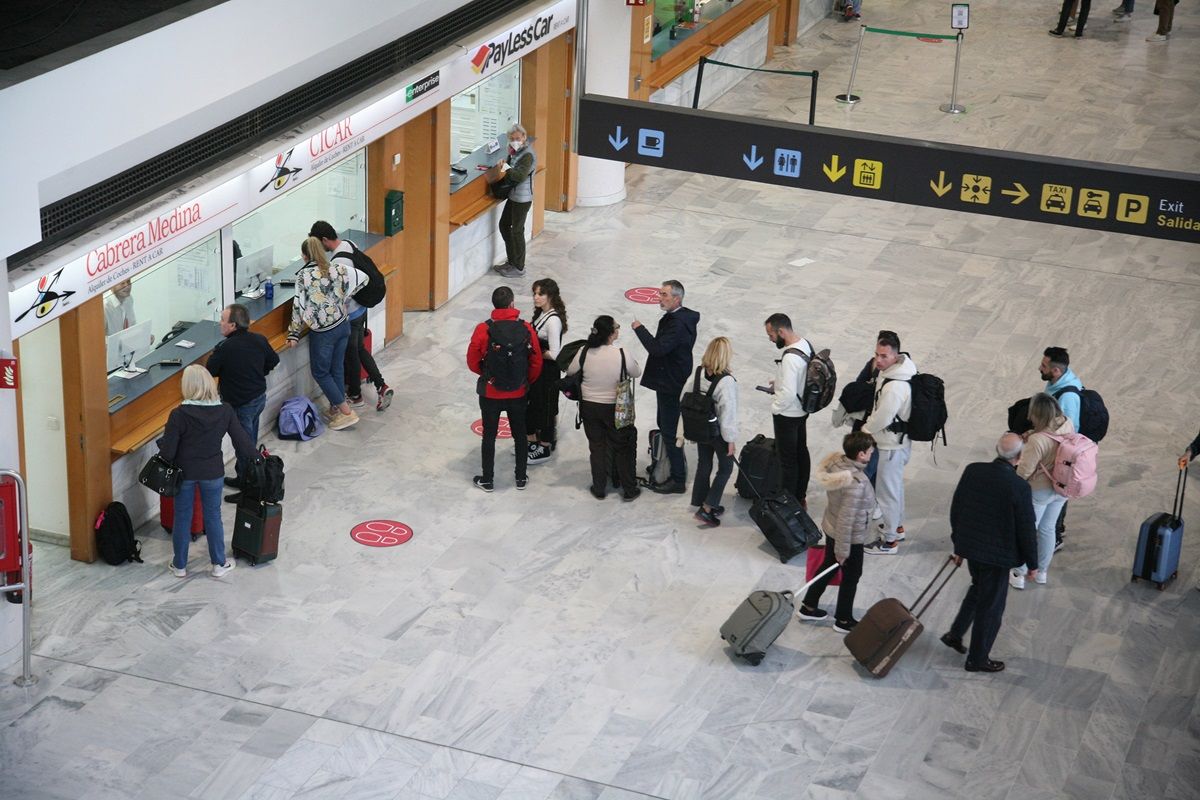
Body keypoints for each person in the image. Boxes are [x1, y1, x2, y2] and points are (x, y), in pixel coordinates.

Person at [941, 433, 1038, 673]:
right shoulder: (1019, 487)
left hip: (972, 548)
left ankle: (955, 634)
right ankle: (978, 658)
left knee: (978, 589)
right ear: (1018, 457)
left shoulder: (973, 471)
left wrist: (958, 544)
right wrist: (1033, 564)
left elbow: (958, 508)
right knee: (991, 607)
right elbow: (1026, 528)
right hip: (997, 557)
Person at [158, 366, 260, 578]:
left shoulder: (178, 415)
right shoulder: (225, 410)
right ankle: (218, 564)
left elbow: (168, 453)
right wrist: (259, 458)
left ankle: (179, 566)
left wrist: (164, 443)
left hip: (184, 473)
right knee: (213, 517)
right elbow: (242, 441)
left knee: (182, 518)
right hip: (213, 473)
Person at [308, 221, 394, 413]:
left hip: (352, 312)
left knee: (351, 353)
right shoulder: (348, 244)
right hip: (362, 308)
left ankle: (355, 396)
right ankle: (381, 385)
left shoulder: (339, 263)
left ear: (323, 240)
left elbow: (342, 295)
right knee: (359, 349)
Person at [798, 431, 878, 633]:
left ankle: (809, 605)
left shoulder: (837, 464)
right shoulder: (856, 484)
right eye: (869, 451)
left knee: (829, 565)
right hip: (849, 537)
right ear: (861, 454)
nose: (872, 454)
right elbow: (847, 519)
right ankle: (843, 619)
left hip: (832, 527)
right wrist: (843, 551)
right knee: (852, 575)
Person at [467, 285, 543, 491]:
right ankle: (520, 478)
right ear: (512, 304)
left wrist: (486, 373)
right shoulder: (526, 328)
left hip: (491, 393)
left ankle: (488, 480)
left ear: (494, 305)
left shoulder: (483, 329)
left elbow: (472, 360)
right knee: (519, 434)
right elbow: (536, 361)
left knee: (489, 435)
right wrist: (525, 381)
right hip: (518, 392)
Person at [632, 280, 701, 494]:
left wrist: (639, 329)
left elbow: (658, 348)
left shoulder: (678, 324)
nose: (659, 298)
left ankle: (677, 479)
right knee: (663, 422)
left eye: (664, 295)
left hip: (670, 383)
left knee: (670, 431)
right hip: (669, 380)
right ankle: (665, 463)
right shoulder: (679, 318)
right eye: (660, 293)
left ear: (677, 299)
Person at [206, 303, 279, 502]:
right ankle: (243, 477)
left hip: (240, 404)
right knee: (250, 441)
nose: (220, 323)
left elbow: (210, 370)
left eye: (222, 320)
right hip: (258, 398)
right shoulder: (259, 340)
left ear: (233, 326)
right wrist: (258, 372)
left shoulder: (225, 348)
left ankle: (250, 490)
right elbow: (273, 360)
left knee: (244, 447)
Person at [564, 316, 643, 501]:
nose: (618, 329)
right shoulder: (621, 353)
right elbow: (636, 372)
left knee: (597, 447)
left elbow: (570, 371)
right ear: (611, 333)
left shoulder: (584, 351)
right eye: (617, 327)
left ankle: (599, 488)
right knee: (623, 448)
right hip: (615, 409)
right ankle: (629, 489)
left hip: (589, 407)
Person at [286, 236, 359, 430]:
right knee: (336, 369)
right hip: (343, 324)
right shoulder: (337, 268)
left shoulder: (304, 276)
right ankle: (336, 407)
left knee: (320, 372)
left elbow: (298, 307)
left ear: (304, 256)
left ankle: (346, 412)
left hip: (324, 332)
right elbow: (357, 281)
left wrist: (293, 334)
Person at [1011, 393, 1074, 589]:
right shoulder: (1067, 424)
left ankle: (1019, 573)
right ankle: (1042, 572)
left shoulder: (1037, 440)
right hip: (1063, 487)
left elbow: (1024, 472)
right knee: (1048, 528)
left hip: (1040, 491)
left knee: (1028, 530)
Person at [862, 331, 917, 555]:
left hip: (891, 447)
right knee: (895, 490)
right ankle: (897, 527)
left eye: (884, 356)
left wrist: (865, 430)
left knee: (887, 494)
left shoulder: (895, 386)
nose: (879, 360)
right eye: (877, 354)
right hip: (896, 443)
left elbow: (883, 416)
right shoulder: (897, 372)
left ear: (895, 356)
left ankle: (889, 542)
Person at [763, 313, 814, 507]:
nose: (770, 339)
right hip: (802, 411)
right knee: (801, 452)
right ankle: (800, 496)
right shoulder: (804, 344)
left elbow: (789, 394)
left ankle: (787, 502)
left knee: (788, 461)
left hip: (788, 415)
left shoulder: (790, 358)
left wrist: (775, 406)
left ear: (781, 331)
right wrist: (778, 383)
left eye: (771, 335)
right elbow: (800, 379)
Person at [691, 337, 739, 527]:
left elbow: (685, 395)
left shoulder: (698, 372)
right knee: (726, 468)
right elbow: (728, 414)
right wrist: (731, 439)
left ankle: (701, 500)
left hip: (700, 428)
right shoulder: (726, 381)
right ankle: (708, 507)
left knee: (704, 464)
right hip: (718, 432)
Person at [1039, 346, 1082, 548]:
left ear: (1056, 371)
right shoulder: (1057, 383)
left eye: (1044, 365)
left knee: (1058, 492)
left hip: (1063, 455)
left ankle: (1055, 535)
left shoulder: (1067, 398)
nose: (1040, 368)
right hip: (1055, 450)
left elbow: (1068, 432)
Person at [526, 279, 567, 465]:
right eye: (534, 293)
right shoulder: (543, 314)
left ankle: (545, 445)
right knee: (535, 404)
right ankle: (535, 441)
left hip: (548, 371)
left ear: (550, 296)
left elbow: (556, 354)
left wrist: (537, 353)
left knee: (546, 406)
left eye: (540, 294)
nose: (536, 297)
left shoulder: (553, 321)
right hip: (538, 369)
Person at [492, 124, 536, 279]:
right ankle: (511, 261)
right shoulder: (514, 151)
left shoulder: (527, 155)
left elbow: (519, 176)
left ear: (524, 137)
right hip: (514, 196)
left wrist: (505, 166)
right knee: (504, 225)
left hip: (522, 199)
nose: (515, 141)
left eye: (518, 138)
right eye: (512, 139)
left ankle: (519, 267)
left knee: (517, 231)